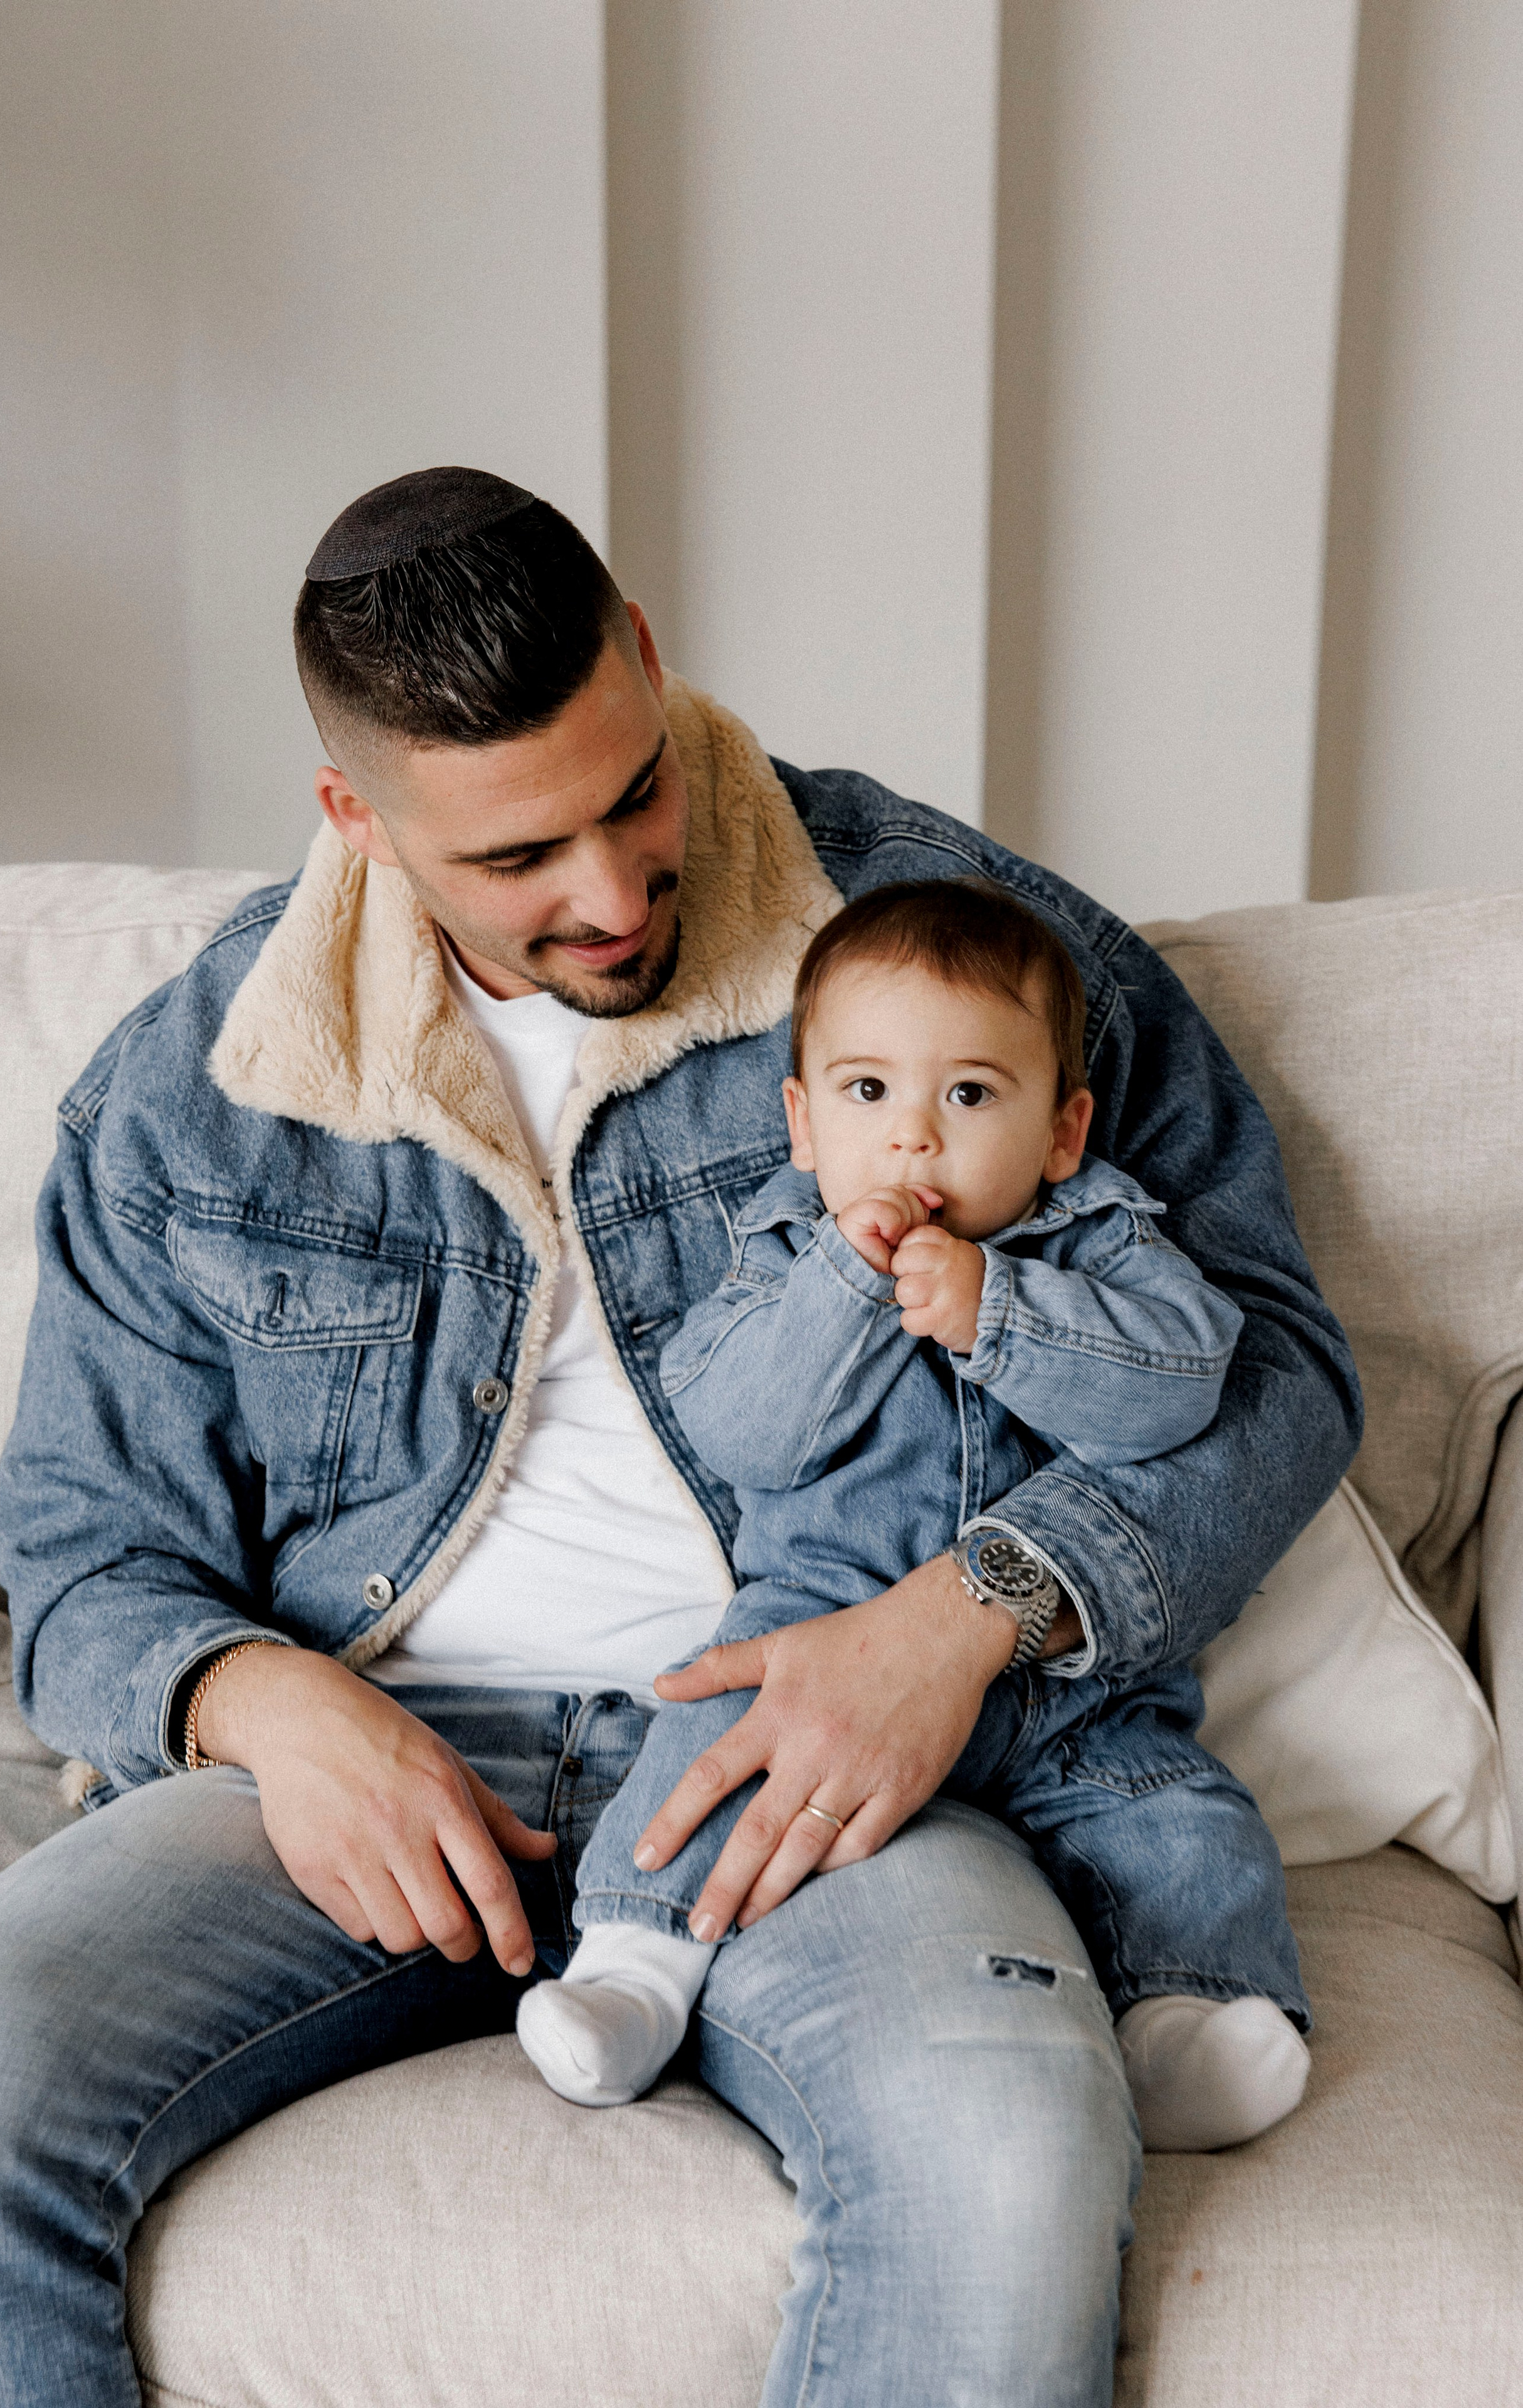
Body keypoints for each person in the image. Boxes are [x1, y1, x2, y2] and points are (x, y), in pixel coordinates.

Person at [0, 467, 1360, 2408]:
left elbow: (1270, 1367)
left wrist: (967, 1620)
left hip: (814, 1745)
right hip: (381, 1758)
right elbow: (90, 1566)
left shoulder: (940, 938)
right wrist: (268, 1707)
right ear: (360, 816)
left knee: (1010, 2149)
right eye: (520, 856)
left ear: (650, 667)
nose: (611, 894)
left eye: (633, 793)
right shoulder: (198, 1088)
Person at [517, 878, 1312, 2153]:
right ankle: (632, 1973)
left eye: (970, 1095)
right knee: (701, 1747)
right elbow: (740, 1427)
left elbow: (1181, 1387)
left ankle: (1184, 2018)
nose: (913, 1142)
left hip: (1067, 1688)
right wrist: (847, 1279)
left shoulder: (1102, 1239)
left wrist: (1000, 1311)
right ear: (800, 1120)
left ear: (1063, 1132)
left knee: (1180, 1820)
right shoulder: (781, 1255)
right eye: (868, 1092)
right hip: (814, 1628)